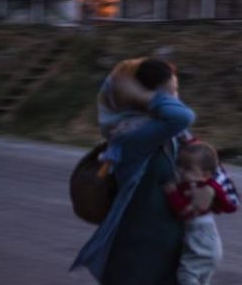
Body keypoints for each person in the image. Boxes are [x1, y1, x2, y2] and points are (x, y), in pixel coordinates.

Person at [71, 58, 214, 285]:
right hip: (137, 260)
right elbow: (183, 116)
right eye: (172, 92)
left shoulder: (170, 136)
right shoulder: (132, 137)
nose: (177, 99)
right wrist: (145, 97)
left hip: (166, 254)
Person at [164, 141, 237, 285]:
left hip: (202, 240)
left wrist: (172, 194)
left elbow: (184, 213)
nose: (181, 171)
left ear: (205, 174)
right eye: (180, 166)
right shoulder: (192, 185)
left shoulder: (201, 187)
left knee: (186, 274)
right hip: (208, 242)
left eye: (188, 169)